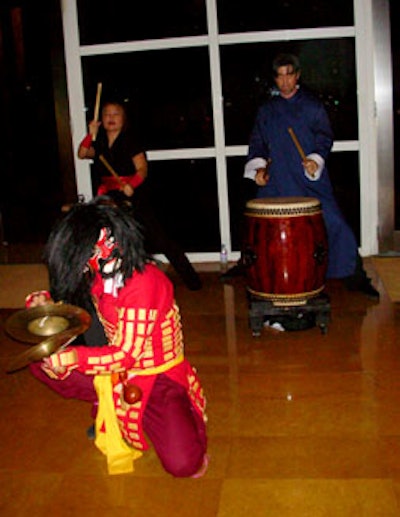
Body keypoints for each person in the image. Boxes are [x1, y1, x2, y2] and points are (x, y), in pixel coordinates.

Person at [27, 197, 208, 477]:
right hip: (116, 373)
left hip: (156, 378)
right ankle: (107, 402)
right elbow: (73, 298)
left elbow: (127, 355)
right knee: (41, 362)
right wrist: (45, 303)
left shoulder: (146, 283)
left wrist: (73, 357)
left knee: (184, 464)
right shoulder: (99, 271)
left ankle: (172, 415)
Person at [221, 53, 379, 299]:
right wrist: (259, 170)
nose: (284, 81)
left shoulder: (312, 106)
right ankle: (250, 265)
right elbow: (258, 142)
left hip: (308, 178)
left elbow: (324, 137)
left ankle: (353, 274)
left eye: (289, 74)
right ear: (275, 79)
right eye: (279, 76)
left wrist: (315, 160)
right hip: (277, 178)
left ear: (297, 76)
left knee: (336, 223)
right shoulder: (267, 110)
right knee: (258, 225)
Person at [78, 99, 202, 291]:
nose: (111, 118)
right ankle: (109, 282)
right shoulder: (100, 141)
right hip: (108, 197)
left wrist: (131, 184)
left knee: (160, 238)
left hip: (133, 195)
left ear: (124, 118)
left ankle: (192, 280)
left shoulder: (131, 140)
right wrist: (90, 134)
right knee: (107, 239)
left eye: (115, 114)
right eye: (106, 114)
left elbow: (142, 169)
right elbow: (83, 153)